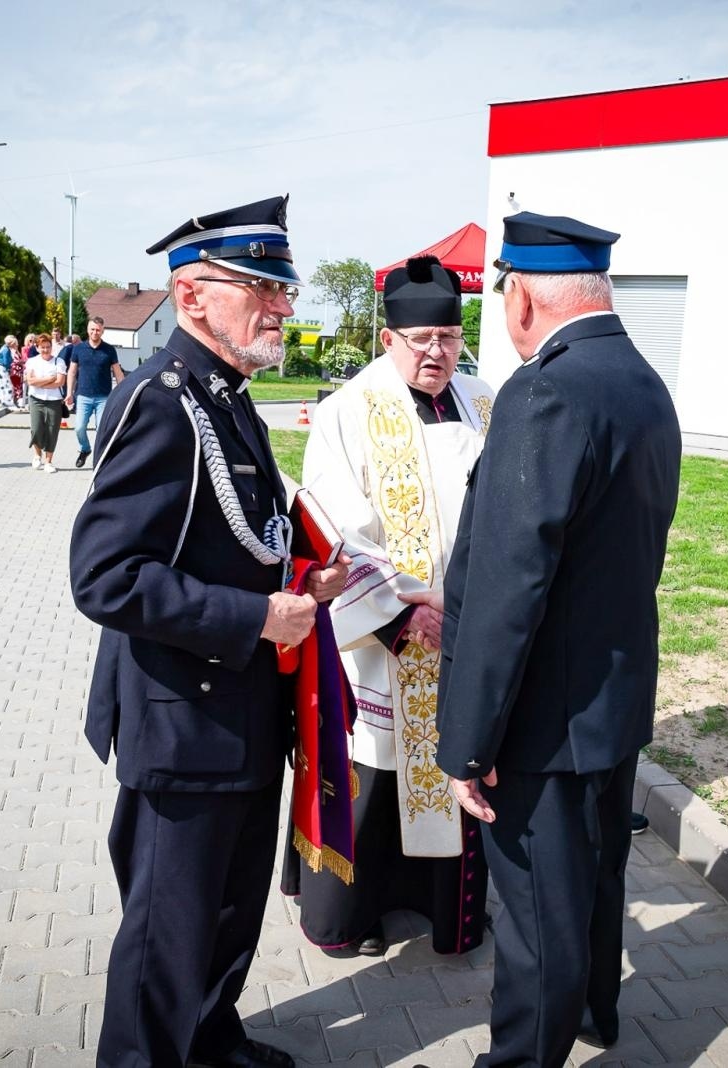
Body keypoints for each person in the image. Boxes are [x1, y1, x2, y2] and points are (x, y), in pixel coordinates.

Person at [70, 194, 347, 1068]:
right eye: (263, 287)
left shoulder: (227, 397)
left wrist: (301, 579)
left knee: (228, 914)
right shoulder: (162, 403)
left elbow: (231, 542)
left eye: (284, 287)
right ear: (191, 296)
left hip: (242, 712)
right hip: (183, 720)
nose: (283, 305)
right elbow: (105, 576)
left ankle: (209, 1042)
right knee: (168, 938)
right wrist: (257, 616)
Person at [428, 212, 682, 1067]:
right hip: (611, 697)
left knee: (538, 916)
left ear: (524, 300)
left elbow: (507, 588)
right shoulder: (642, 380)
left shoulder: (545, 392)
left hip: (544, 719)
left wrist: (468, 741)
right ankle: (596, 1012)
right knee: (597, 879)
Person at [280, 256, 494, 959]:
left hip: (462, 624)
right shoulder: (348, 410)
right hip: (386, 635)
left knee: (451, 756)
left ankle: (442, 907)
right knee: (376, 771)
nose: (437, 353)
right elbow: (334, 524)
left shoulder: (482, 399)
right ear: (388, 339)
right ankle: (353, 913)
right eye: (421, 340)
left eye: (450, 338)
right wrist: (401, 615)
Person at [65, 315, 123, 468]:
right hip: (83, 396)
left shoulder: (109, 350)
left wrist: (123, 393)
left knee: (101, 430)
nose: (95, 332)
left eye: (98, 330)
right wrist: (69, 393)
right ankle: (85, 449)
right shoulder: (78, 349)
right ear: (87, 330)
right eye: (92, 329)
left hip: (103, 397)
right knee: (79, 428)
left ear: (102, 331)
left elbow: (118, 373)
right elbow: (72, 372)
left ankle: (99, 459)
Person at [24, 333, 66, 471]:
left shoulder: (59, 362)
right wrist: (49, 379)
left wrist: (39, 383)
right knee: (36, 428)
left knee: (52, 430)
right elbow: (30, 381)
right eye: (42, 347)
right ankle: (37, 455)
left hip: (54, 401)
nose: (46, 350)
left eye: (48, 347)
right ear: (37, 348)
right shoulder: (32, 361)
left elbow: (60, 382)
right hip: (36, 399)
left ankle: (48, 461)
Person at [0, 333, 20, 411]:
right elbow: (6, 362)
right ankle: (8, 403)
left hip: (0, 368)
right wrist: (12, 365)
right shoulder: (6, 350)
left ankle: (1, 402)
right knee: (8, 385)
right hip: (3, 369)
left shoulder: (4, 348)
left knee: (1, 386)